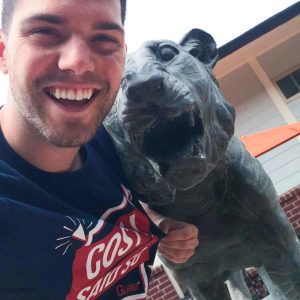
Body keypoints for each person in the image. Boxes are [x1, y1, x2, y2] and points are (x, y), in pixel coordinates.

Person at [0, 0, 199, 299]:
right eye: (45, 31)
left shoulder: (114, 140)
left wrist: (156, 221)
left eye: (105, 39)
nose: (78, 61)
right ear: (3, 52)